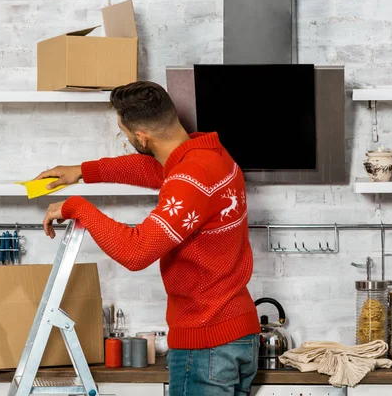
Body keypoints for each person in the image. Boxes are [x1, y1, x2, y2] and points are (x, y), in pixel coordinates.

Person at [36, 80, 261, 396]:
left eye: (125, 136)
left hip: (206, 344)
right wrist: (82, 170)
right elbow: (152, 170)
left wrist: (78, 207)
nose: (127, 141)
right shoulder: (209, 156)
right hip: (237, 334)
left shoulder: (189, 179)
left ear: (141, 137)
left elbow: (136, 251)